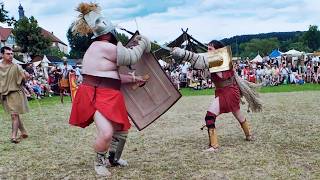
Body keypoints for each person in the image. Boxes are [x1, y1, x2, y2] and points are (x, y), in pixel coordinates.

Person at [69, 2, 151, 176]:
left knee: (121, 131)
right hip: (97, 94)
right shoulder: (104, 47)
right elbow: (132, 56)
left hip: (109, 93)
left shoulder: (102, 47)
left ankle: (113, 159)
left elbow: (110, 76)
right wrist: (143, 42)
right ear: (110, 31)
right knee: (107, 133)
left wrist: (134, 78)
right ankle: (99, 162)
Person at [172, 40, 261, 152]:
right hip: (225, 91)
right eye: (207, 49)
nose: (208, 51)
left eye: (210, 49)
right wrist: (180, 52)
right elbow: (200, 61)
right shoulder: (217, 59)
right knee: (238, 114)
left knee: (210, 116)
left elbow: (205, 63)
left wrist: (184, 53)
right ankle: (249, 135)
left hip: (228, 92)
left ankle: (214, 146)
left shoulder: (221, 59)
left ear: (217, 50)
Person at [0, 46, 29, 143]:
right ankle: (24, 131)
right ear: (2, 55)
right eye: (8, 54)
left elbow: (24, 78)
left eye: (12, 54)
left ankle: (13, 137)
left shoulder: (16, 66)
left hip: (15, 93)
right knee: (14, 114)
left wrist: (26, 76)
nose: (11, 56)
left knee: (14, 115)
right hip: (3, 94)